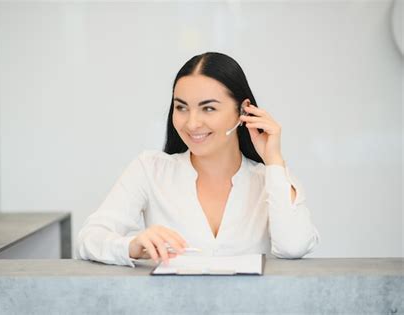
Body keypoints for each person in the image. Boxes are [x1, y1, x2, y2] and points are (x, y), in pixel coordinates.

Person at [76, 52, 320, 267]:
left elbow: (294, 246)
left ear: (243, 110)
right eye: (181, 108)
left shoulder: (268, 180)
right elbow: (89, 238)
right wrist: (133, 245)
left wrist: (273, 160)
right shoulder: (150, 169)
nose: (192, 123)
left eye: (208, 108)